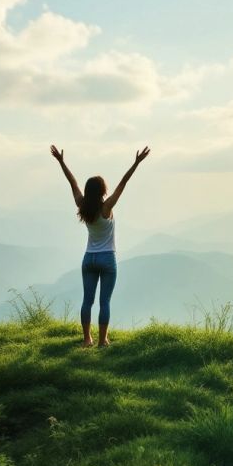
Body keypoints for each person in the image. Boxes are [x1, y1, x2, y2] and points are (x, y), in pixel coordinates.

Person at [50, 144, 151, 347]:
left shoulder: (82, 205)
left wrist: (61, 162)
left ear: (88, 191)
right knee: (104, 302)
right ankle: (102, 340)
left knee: (87, 301)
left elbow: (72, 182)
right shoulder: (107, 207)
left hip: (89, 258)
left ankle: (87, 339)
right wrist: (136, 163)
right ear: (103, 190)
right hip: (107, 259)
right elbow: (123, 182)